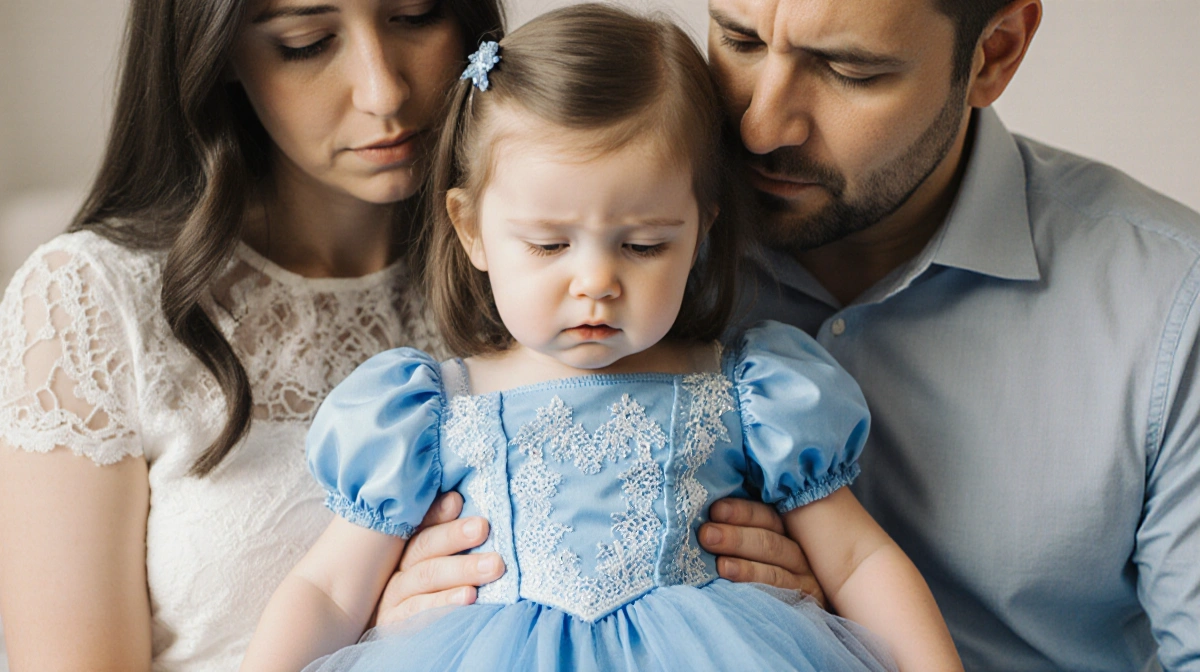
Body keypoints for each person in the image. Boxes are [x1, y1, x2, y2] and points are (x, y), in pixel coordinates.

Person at [240, 5, 963, 671]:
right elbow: (330, 591)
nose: (596, 282)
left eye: (644, 245)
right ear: (472, 230)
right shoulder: (426, 411)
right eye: (549, 245)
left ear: (702, 229)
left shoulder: (751, 390)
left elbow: (860, 563)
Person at [688, 0, 1200, 669]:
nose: (760, 127)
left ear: (995, 53)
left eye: (849, 69)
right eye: (739, 40)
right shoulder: (584, 252)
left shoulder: (1172, 307)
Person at [0, 0, 507, 669]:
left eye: (415, 15)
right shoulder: (93, 302)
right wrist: (361, 639)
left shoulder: (550, 270)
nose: (383, 89)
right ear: (219, 55)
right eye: (307, 42)